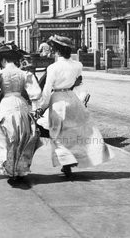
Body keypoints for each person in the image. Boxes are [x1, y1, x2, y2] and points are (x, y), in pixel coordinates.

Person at [35, 35, 112, 177]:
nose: (52, 51)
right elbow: (77, 83)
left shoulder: (53, 67)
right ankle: (69, 163)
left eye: (53, 49)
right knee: (72, 133)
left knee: (57, 134)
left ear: (57, 51)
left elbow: (47, 90)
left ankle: (66, 162)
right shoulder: (78, 65)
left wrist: (42, 106)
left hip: (58, 100)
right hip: (72, 99)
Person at [0, 42, 42, 185]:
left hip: (7, 105)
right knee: (23, 136)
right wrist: (35, 110)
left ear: (3, 60)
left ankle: (9, 168)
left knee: (4, 137)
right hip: (21, 104)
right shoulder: (24, 73)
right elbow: (36, 93)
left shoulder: (0, 73)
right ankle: (20, 169)